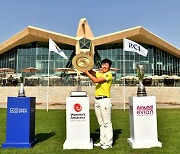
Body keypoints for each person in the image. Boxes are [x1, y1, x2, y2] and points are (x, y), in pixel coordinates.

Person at [83, 58, 113, 149]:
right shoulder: (100, 73)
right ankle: (102, 141)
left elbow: (95, 80)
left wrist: (87, 73)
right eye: (103, 64)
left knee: (107, 123)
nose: (104, 66)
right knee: (101, 123)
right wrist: (87, 64)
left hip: (104, 100)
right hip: (97, 100)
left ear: (109, 67)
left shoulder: (108, 75)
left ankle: (108, 143)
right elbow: (92, 71)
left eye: (106, 65)